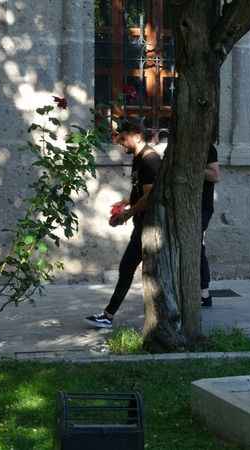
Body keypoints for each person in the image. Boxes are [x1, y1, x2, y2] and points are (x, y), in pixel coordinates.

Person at [85, 121, 160, 328]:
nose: (120, 143)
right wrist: (126, 201)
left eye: (123, 138)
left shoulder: (150, 159)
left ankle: (109, 316)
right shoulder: (138, 157)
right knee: (138, 269)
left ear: (136, 135)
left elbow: (149, 196)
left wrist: (126, 216)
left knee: (129, 267)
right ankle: (111, 315)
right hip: (142, 222)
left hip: (150, 225)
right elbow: (140, 190)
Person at [200, 145, 221, 307]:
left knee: (197, 246)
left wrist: (193, 167)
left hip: (202, 207)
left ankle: (204, 292)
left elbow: (214, 175)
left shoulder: (208, 148)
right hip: (187, 206)